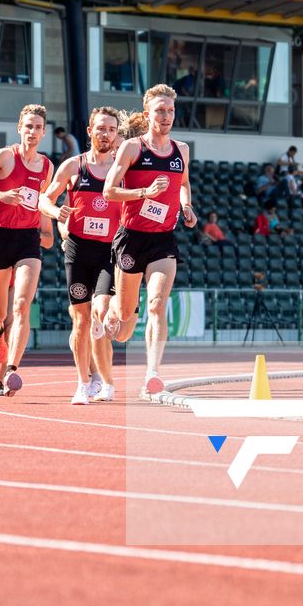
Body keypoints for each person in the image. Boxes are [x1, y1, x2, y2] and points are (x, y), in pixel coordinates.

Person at [101, 85, 196, 399]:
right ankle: (114, 310)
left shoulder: (181, 150)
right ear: (147, 114)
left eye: (170, 110)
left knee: (157, 305)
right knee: (127, 318)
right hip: (131, 239)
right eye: (160, 110)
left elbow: (183, 184)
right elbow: (108, 192)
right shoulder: (132, 148)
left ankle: (153, 373)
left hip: (163, 241)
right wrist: (143, 193)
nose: (166, 116)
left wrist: (186, 206)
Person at [0, 104, 55, 395]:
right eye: (28, 126)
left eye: (38, 127)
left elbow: (41, 204)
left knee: (22, 306)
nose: (33, 132)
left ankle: (11, 371)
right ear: (20, 127)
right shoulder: (4, 156)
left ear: (43, 132)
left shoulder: (47, 167)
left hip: (28, 239)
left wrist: (51, 221)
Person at [40, 106, 124, 405]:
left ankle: (107, 380)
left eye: (112, 130)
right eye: (101, 128)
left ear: (117, 134)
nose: (106, 134)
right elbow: (44, 199)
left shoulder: (121, 170)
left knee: (100, 314)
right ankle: (84, 383)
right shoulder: (74, 167)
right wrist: (55, 212)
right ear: (90, 131)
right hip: (77, 249)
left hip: (109, 251)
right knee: (81, 319)